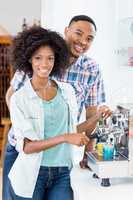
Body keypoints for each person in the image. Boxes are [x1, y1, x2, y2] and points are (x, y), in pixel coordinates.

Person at [3, 15, 111, 199]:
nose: (83, 41)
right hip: (22, 150)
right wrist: (26, 125)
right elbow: (13, 95)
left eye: (89, 38)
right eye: (78, 33)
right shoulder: (38, 56)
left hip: (60, 157)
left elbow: (91, 112)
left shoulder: (91, 69)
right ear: (66, 31)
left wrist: (88, 149)